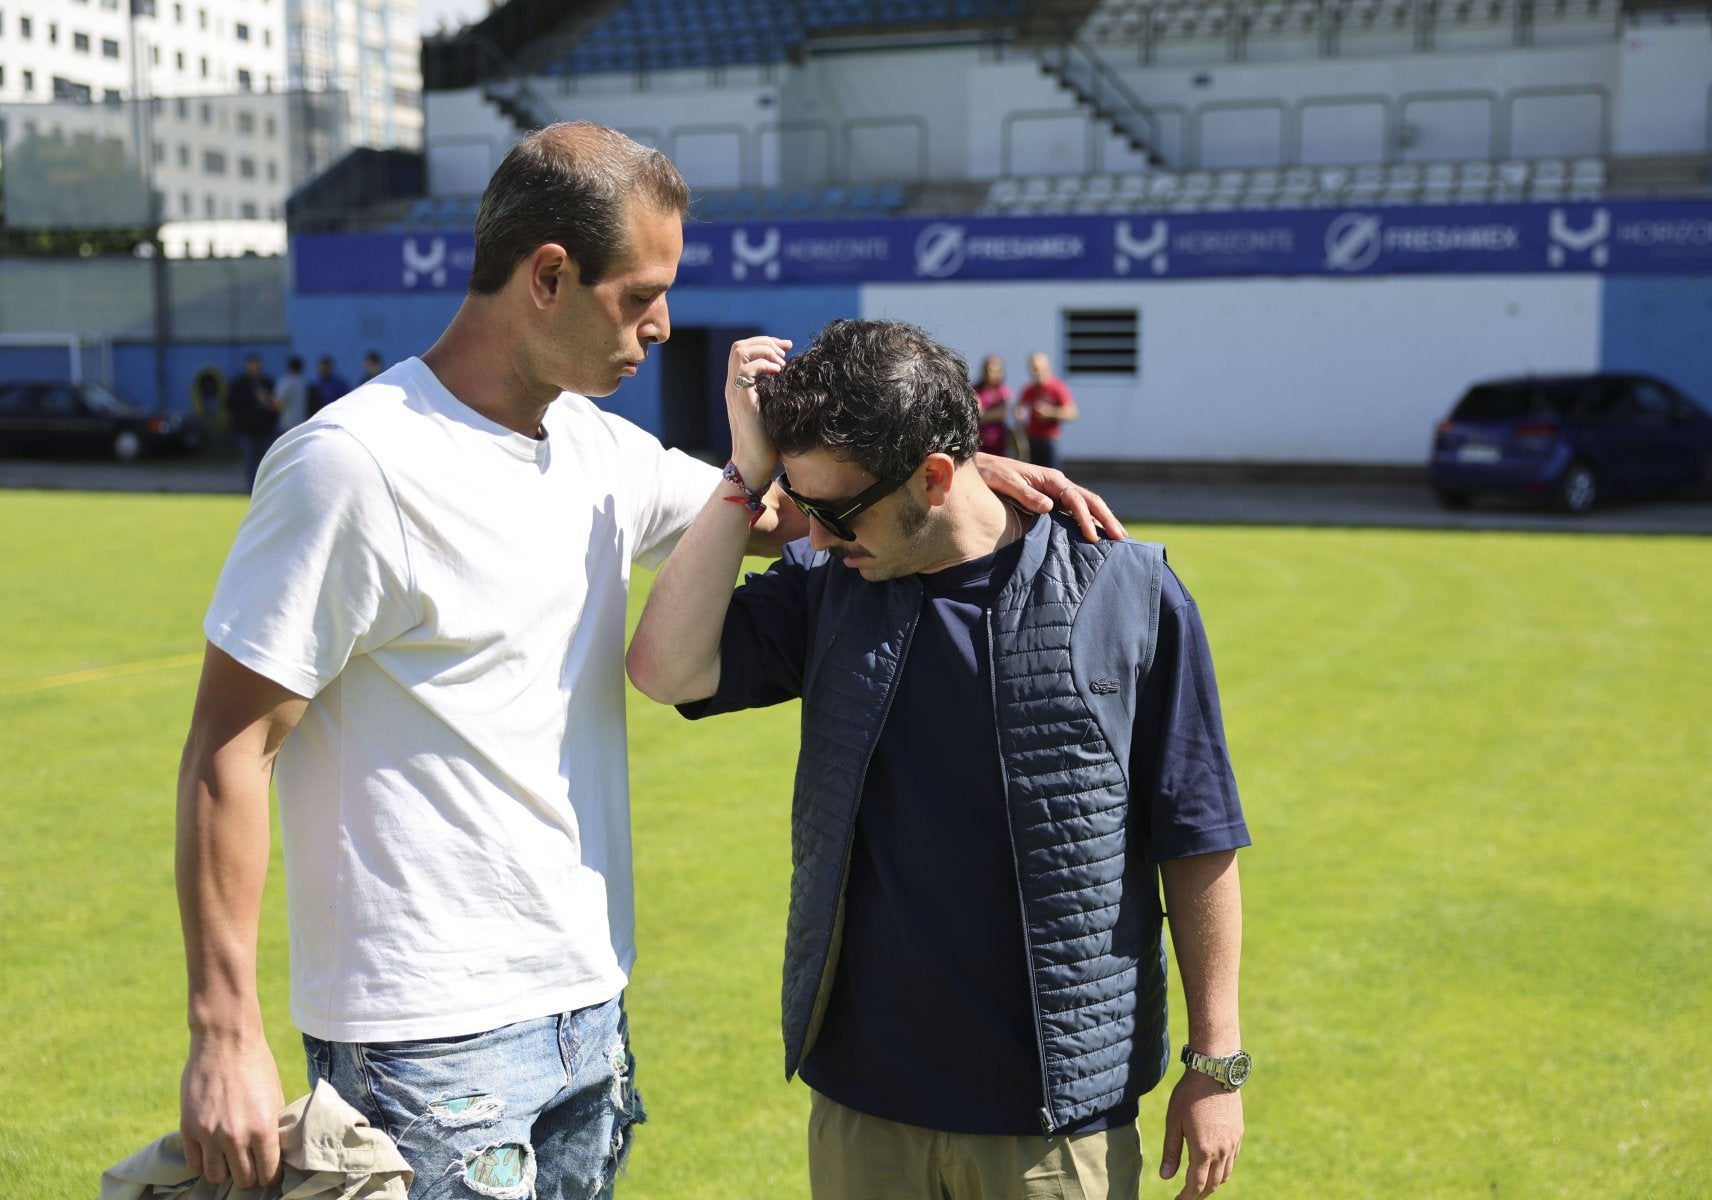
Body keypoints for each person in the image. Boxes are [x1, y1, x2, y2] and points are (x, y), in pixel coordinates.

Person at [174, 122, 1122, 1198]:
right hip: (422, 1040)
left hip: (587, 1014)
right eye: (639, 296)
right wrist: (224, 1033)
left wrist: (953, 469)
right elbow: (227, 751)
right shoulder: (353, 466)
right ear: (547, 276)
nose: (664, 326)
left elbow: (788, 513)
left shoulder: (591, 447)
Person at [626, 318, 1250, 1200]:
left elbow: (1199, 832)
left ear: (933, 475)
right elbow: (665, 668)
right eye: (803, 508)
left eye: (835, 511)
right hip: (864, 1110)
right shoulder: (831, 585)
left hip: (1052, 1126)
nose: (814, 535)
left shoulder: (1127, 590)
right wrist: (745, 476)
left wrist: (1216, 1063)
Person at [223, 353, 280, 492]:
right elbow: (231, 404)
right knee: (250, 463)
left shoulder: (267, 383)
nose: (253, 368)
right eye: (251, 365)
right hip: (247, 431)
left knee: (266, 462)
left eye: (256, 365)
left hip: (265, 430)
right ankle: (252, 490)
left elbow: (276, 405)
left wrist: (266, 406)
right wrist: (242, 420)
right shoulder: (239, 384)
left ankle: (265, 490)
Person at [1014, 350, 1079, 470]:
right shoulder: (1029, 389)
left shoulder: (1057, 387)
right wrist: (1019, 414)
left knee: (1051, 477)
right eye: (1032, 368)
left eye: (1037, 368)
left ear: (1046, 367)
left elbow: (1072, 413)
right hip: (1032, 440)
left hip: (1050, 441)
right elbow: (1019, 408)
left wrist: (1050, 412)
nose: (1034, 372)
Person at [973, 353, 1012, 457]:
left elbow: (1003, 413)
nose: (990, 373)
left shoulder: (1003, 391)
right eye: (988, 370)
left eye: (994, 370)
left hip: (998, 444)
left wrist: (985, 414)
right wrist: (992, 414)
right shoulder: (976, 389)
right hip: (979, 443)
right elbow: (977, 414)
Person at [273, 356, 310, 434]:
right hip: (302, 424)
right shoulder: (305, 383)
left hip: (287, 425)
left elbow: (278, 405)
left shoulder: (285, 382)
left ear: (289, 367)